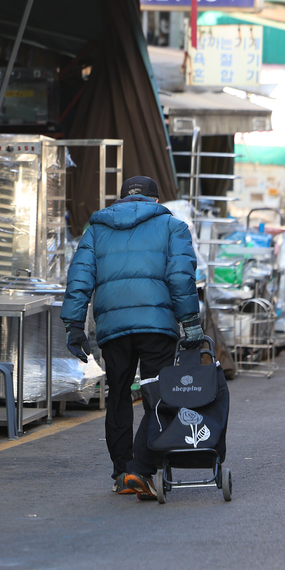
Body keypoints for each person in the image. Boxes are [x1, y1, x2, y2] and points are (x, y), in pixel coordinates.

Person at [61, 176, 203, 500]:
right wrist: (190, 322)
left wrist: (73, 325)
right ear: (155, 200)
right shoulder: (172, 227)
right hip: (157, 326)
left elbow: (79, 278)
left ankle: (121, 472)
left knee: (119, 396)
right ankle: (141, 467)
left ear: (121, 199)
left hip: (113, 328)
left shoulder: (96, 229)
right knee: (159, 396)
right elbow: (181, 277)